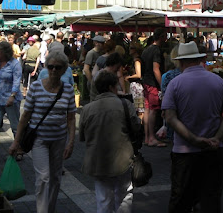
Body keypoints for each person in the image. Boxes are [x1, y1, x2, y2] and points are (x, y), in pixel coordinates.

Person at [162, 42, 223, 212]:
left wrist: (193, 139)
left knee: (181, 200)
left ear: (180, 62)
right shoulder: (218, 81)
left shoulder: (175, 84)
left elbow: (170, 117)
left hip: (185, 152)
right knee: (211, 199)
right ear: (199, 59)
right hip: (214, 150)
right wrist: (218, 137)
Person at [9, 50, 76, 213]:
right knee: (43, 178)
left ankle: (49, 209)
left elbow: (71, 118)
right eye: (51, 66)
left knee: (55, 178)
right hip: (39, 139)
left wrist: (71, 141)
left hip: (59, 140)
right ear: (45, 67)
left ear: (64, 69)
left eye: (58, 67)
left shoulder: (68, 89)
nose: (54, 70)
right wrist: (16, 141)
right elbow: (25, 117)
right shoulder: (36, 87)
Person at [80, 71, 141, 213]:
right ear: (111, 87)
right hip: (123, 158)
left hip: (98, 160)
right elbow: (137, 127)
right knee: (125, 195)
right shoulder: (125, 104)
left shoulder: (87, 109)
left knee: (103, 198)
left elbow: (83, 137)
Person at [141, 27, 167, 147]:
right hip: (152, 84)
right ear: (161, 37)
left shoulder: (146, 50)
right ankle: (151, 138)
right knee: (153, 111)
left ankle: (147, 137)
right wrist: (162, 85)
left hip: (146, 82)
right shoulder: (157, 51)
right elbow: (156, 69)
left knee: (147, 109)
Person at [125, 42, 145, 121]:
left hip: (137, 87)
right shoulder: (136, 60)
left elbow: (138, 74)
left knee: (139, 108)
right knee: (139, 107)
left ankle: (140, 125)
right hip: (137, 86)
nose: (129, 50)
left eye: (131, 48)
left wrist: (128, 77)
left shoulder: (137, 61)